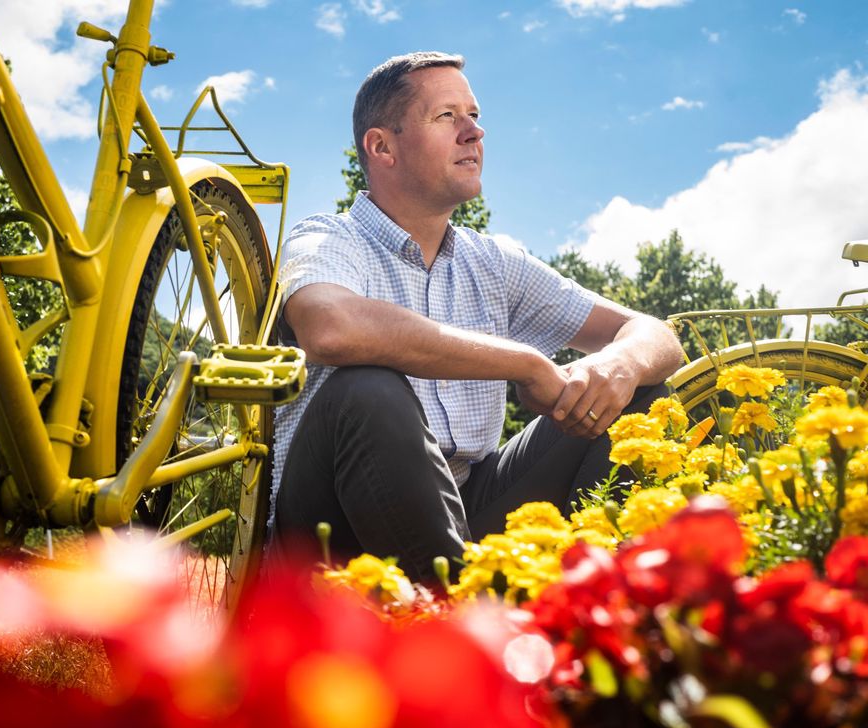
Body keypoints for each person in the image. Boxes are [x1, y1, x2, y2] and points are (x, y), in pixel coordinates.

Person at [270, 51, 684, 581]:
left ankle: (589, 605)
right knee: (366, 389)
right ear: (382, 146)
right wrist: (526, 363)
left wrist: (617, 367)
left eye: (474, 115)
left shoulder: (490, 261)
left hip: (465, 512)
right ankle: (460, 625)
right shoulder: (327, 238)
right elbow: (331, 327)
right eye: (447, 117)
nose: (474, 133)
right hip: (331, 529)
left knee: (638, 394)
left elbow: (654, 335)